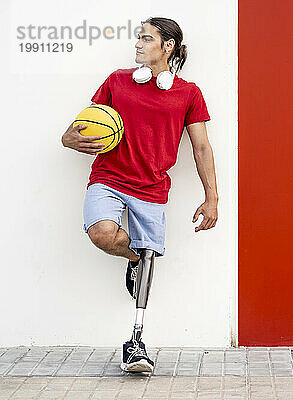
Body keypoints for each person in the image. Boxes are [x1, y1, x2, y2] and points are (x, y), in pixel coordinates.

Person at [61, 17, 218, 373]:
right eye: (138, 38)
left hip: (151, 187)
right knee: (102, 233)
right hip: (108, 177)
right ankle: (136, 258)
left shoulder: (188, 93)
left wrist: (212, 197)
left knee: (150, 261)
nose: (137, 44)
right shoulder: (117, 81)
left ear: (168, 47)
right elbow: (78, 126)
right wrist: (69, 138)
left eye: (146, 39)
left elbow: (202, 148)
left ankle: (136, 343)